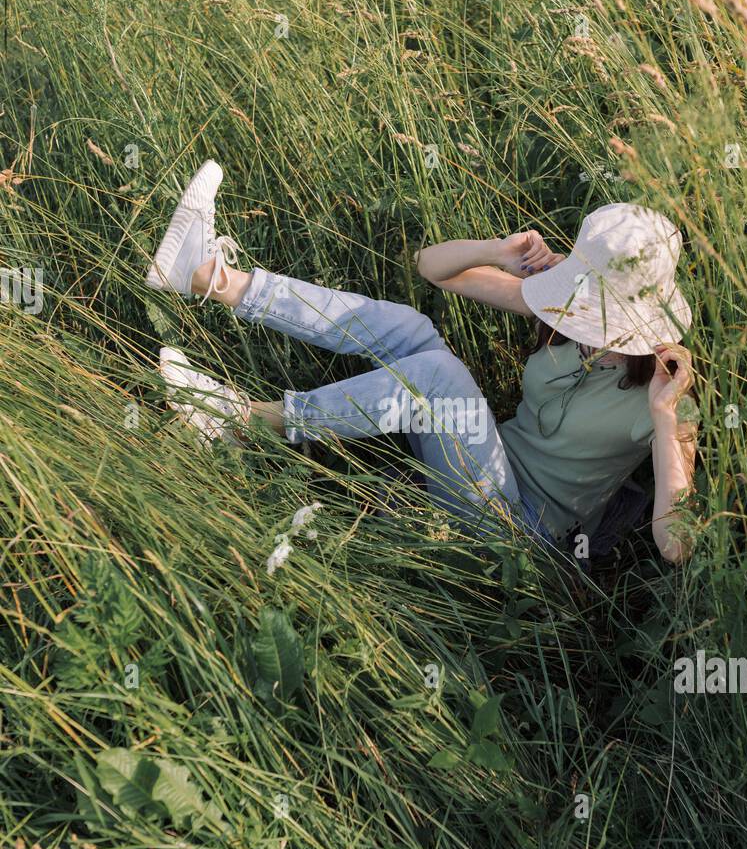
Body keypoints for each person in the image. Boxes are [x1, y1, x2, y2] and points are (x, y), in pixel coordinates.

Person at [146, 162, 697, 564]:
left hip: (517, 532)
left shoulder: (665, 398)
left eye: (592, 312)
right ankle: (207, 277)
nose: (582, 326)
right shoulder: (565, 310)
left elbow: (676, 543)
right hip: (478, 466)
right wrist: (495, 252)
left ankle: (238, 423)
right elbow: (432, 268)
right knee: (412, 327)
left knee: (439, 377)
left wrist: (668, 420)